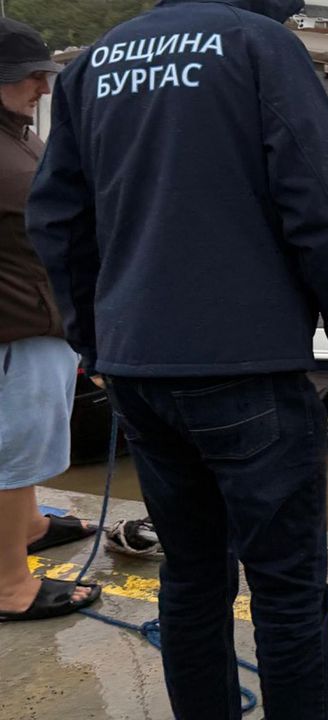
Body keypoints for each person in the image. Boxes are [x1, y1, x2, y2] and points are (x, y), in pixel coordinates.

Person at [27, 1, 328, 717]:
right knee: (286, 585)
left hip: (136, 369)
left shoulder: (96, 61)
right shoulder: (262, 46)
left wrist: (93, 339)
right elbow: (319, 207)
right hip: (245, 363)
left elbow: (57, 217)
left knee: (190, 575)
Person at [0, 17, 101, 623]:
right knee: (13, 454)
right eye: (26, 76)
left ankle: (31, 527)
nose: (42, 85)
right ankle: (11, 584)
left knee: (32, 445)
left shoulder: (16, 133)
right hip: (15, 328)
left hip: (40, 319)